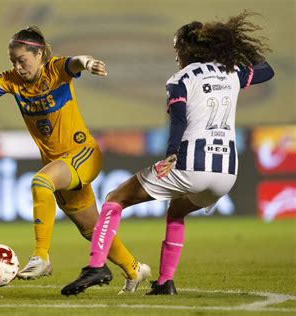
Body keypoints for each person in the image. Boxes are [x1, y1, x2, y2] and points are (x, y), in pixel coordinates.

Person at [62, 11, 274, 296]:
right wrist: (235, 48)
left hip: (191, 166)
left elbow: (178, 119)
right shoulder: (232, 71)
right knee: (176, 211)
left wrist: (171, 154)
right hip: (226, 173)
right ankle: (164, 282)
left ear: (188, 49)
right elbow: (267, 70)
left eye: (177, 48)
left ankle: (96, 265)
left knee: (114, 199)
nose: (176, 55)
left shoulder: (181, 78)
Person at [0, 26, 150, 293]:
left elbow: (76, 62)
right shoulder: (11, 80)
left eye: (22, 60)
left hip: (82, 153)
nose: (17, 66)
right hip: (58, 162)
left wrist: (89, 62)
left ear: (38, 55)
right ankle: (134, 269)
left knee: (41, 182)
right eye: (13, 60)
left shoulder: (55, 69)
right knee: (90, 228)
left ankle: (41, 256)